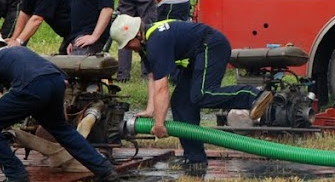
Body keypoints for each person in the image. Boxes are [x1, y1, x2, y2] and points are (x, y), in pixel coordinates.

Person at [109, 14, 274, 173]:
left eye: (128, 43)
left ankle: (254, 95)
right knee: (181, 104)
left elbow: (162, 87)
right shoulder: (146, 44)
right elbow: (154, 77)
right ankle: (195, 159)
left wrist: (159, 124)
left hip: (211, 45)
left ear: (137, 33)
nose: (128, 48)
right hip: (194, 57)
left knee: (203, 94)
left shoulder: (156, 41)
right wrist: (150, 110)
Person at [0, 27, 121, 182]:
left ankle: (16, 178)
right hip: (55, 81)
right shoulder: (19, 50)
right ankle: (105, 170)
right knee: (61, 129)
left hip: (32, 86)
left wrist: (6, 127)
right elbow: (62, 78)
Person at [8, 0, 72, 53]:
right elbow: (24, 14)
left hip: (79, 30)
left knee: (70, 60)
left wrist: (19, 41)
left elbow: (37, 19)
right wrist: (13, 38)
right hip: (68, 33)